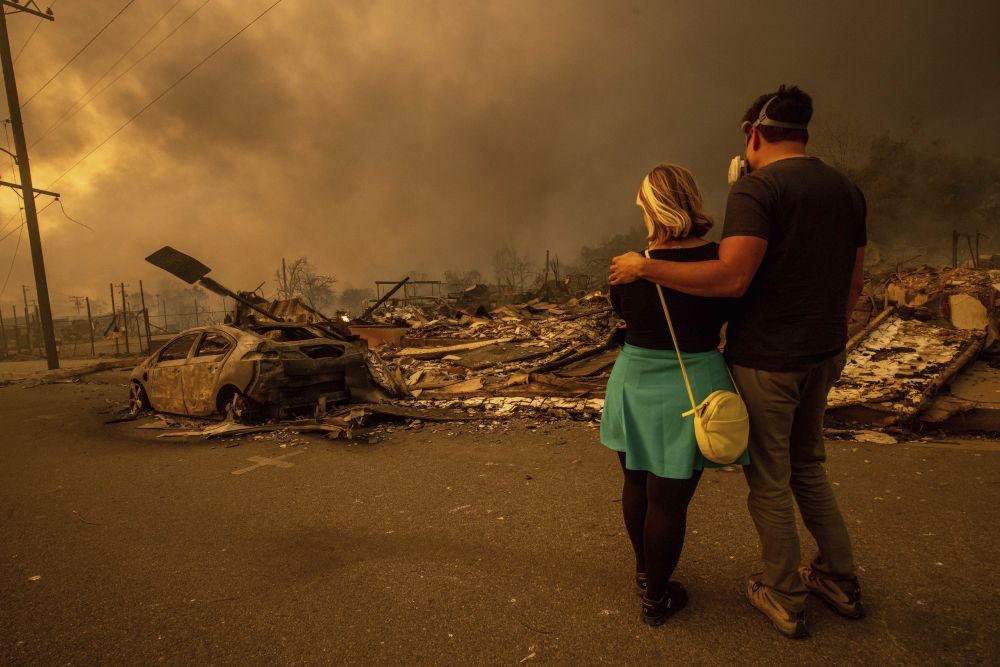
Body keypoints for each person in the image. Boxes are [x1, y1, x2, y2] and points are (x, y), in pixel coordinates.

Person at [609, 85, 867, 639]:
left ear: (754, 135)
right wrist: (830, 337)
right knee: (809, 467)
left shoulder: (758, 189)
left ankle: (784, 594)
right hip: (825, 351)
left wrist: (646, 266)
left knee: (769, 479)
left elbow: (732, 278)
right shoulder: (847, 189)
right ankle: (840, 580)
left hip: (768, 360)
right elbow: (853, 280)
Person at [601, 163, 749, 627]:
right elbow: (733, 308)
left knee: (636, 484)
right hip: (693, 382)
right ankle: (656, 597)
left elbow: (624, 312)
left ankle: (647, 577)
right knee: (668, 501)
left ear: (653, 206)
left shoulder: (628, 266)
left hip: (634, 380)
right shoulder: (721, 260)